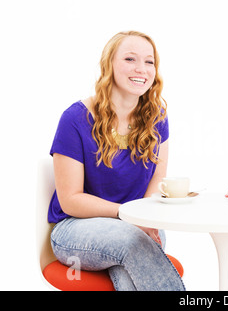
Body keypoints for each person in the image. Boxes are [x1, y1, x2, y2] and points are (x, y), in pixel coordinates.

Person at [48, 31, 185, 291]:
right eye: (130, 59)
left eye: (149, 61)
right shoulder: (75, 118)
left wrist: (142, 218)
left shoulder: (157, 117)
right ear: (109, 64)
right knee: (133, 242)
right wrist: (128, 216)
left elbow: (158, 178)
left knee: (129, 272)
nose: (141, 69)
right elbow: (71, 199)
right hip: (75, 229)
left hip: (139, 225)